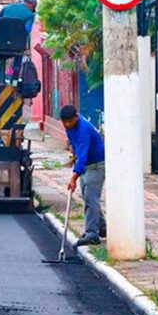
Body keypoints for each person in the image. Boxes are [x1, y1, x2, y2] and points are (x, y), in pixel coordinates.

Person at [61, 104, 106, 246]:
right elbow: (76, 149)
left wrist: (73, 178)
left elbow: (83, 156)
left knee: (91, 199)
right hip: (85, 165)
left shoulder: (83, 129)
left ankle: (92, 234)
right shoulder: (70, 127)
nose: (67, 124)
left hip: (96, 165)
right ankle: (102, 227)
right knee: (88, 197)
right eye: (65, 122)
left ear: (76, 117)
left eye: (70, 121)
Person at [0, 0, 36, 83]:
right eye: (33, 7)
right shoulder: (31, 15)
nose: (33, 9)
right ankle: (15, 71)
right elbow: (27, 30)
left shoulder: (8, 7)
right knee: (20, 51)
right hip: (16, 46)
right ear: (31, 5)